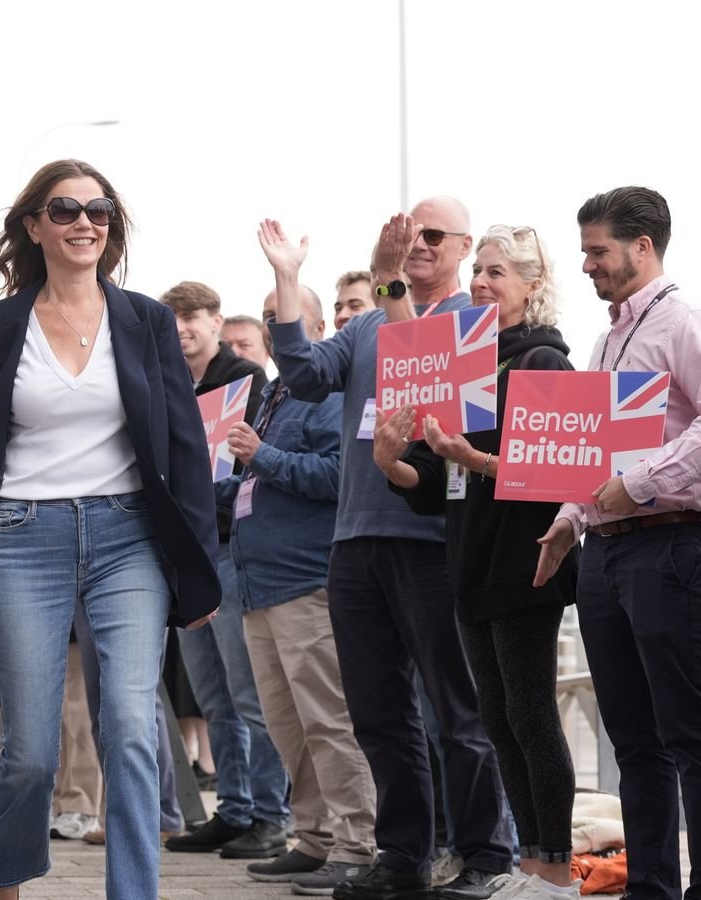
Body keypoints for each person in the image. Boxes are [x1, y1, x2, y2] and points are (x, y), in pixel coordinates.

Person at [0, 158, 220, 899]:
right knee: (28, 747)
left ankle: (133, 892)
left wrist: (198, 564)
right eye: (65, 209)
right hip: (21, 539)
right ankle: (6, 873)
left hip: (128, 541)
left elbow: (184, 443)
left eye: (99, 211)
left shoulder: (146, 320)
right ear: (35, 226)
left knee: (128, 726)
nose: (85, 222)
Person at [260, 207, 514, 900]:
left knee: (459, 713)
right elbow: (305, 374)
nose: (420, 245)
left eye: (435, 236)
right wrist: (288, 278)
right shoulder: (369, 321)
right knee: (376, 712)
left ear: (463, 248)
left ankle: (487, 852)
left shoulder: (472, 320)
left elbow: (440, 381)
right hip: (356, 541)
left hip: (432, 542)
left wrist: (387, 282)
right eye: (412, 233)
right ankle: (403, 854)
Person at [373, 225, 579, 899]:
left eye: (497, 272)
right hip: (468, 560)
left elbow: (559, 471)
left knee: (530, 715)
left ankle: (555, 866)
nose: (483, 282)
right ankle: (528, 862)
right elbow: (433, 481)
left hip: (525, 563)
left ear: (532, 285)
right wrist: (394, 461)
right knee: (496, 720)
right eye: (481, 271)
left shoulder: (545, 362)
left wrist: (474, 459)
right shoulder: (470, 361)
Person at [535, 187, 701, 900]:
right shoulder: (605, 341)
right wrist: (570, 519)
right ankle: (651, 888)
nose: (587, 265)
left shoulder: (681, 327)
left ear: (643, 247)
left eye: (598, 251)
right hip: (603, 557)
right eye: (584, 252)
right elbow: (597, 453)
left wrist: (637, 485)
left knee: (688, 737)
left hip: (667, 548)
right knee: (633, 740)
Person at [222, 282, 377, 895]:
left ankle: (357, 843)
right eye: (267, 319)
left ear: (314, 328)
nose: (273, 327)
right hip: (259, 584)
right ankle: (313, 837)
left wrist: (262, 458)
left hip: (305, 579)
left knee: (328, 720)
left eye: (283, 318)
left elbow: (340, 476)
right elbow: (253, 484)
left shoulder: (328, 391)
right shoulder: (273, 395)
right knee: (288, 724)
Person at [160, 280, 288, 861]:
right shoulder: (163, 382)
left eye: (193, 317)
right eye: (174, 318)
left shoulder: (246, 381)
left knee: (248, 694)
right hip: (185, 552)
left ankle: (270, 815)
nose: (183, 327)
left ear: (216, 321)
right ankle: (233, 810)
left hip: (231, 547)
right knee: (212, 694)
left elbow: (248, 466)